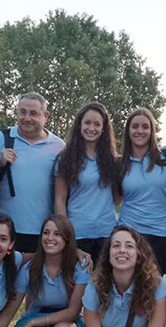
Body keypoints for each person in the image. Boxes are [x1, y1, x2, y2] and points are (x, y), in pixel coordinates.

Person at [0, 92, 65, 253]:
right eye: (22, 112)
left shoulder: (59, 146)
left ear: (45, 116)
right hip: (3, 232)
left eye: (33, 113)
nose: (27, 118)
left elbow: (63, 193)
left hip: (43, 233)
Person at [54, 103, 119, 263]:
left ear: (103, 128)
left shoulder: (113, 160)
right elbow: (59, 199)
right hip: (77, 234)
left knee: (103, 278)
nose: (91, 128)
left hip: (106, 233)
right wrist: (65, 234)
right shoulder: (65, 158)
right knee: (79, 278)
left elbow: (118, 197)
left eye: (97, 124)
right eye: (87, 123)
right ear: (79, 125)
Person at [117, 108, 166, 273]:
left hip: (161, 233)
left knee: (154, 283)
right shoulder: (119, 163)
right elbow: (114, 198)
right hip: (129, 232)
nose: (140, 131)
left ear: (152, 131)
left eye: (145, 127)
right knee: (128, 281)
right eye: (135, 126)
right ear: (128, 131)